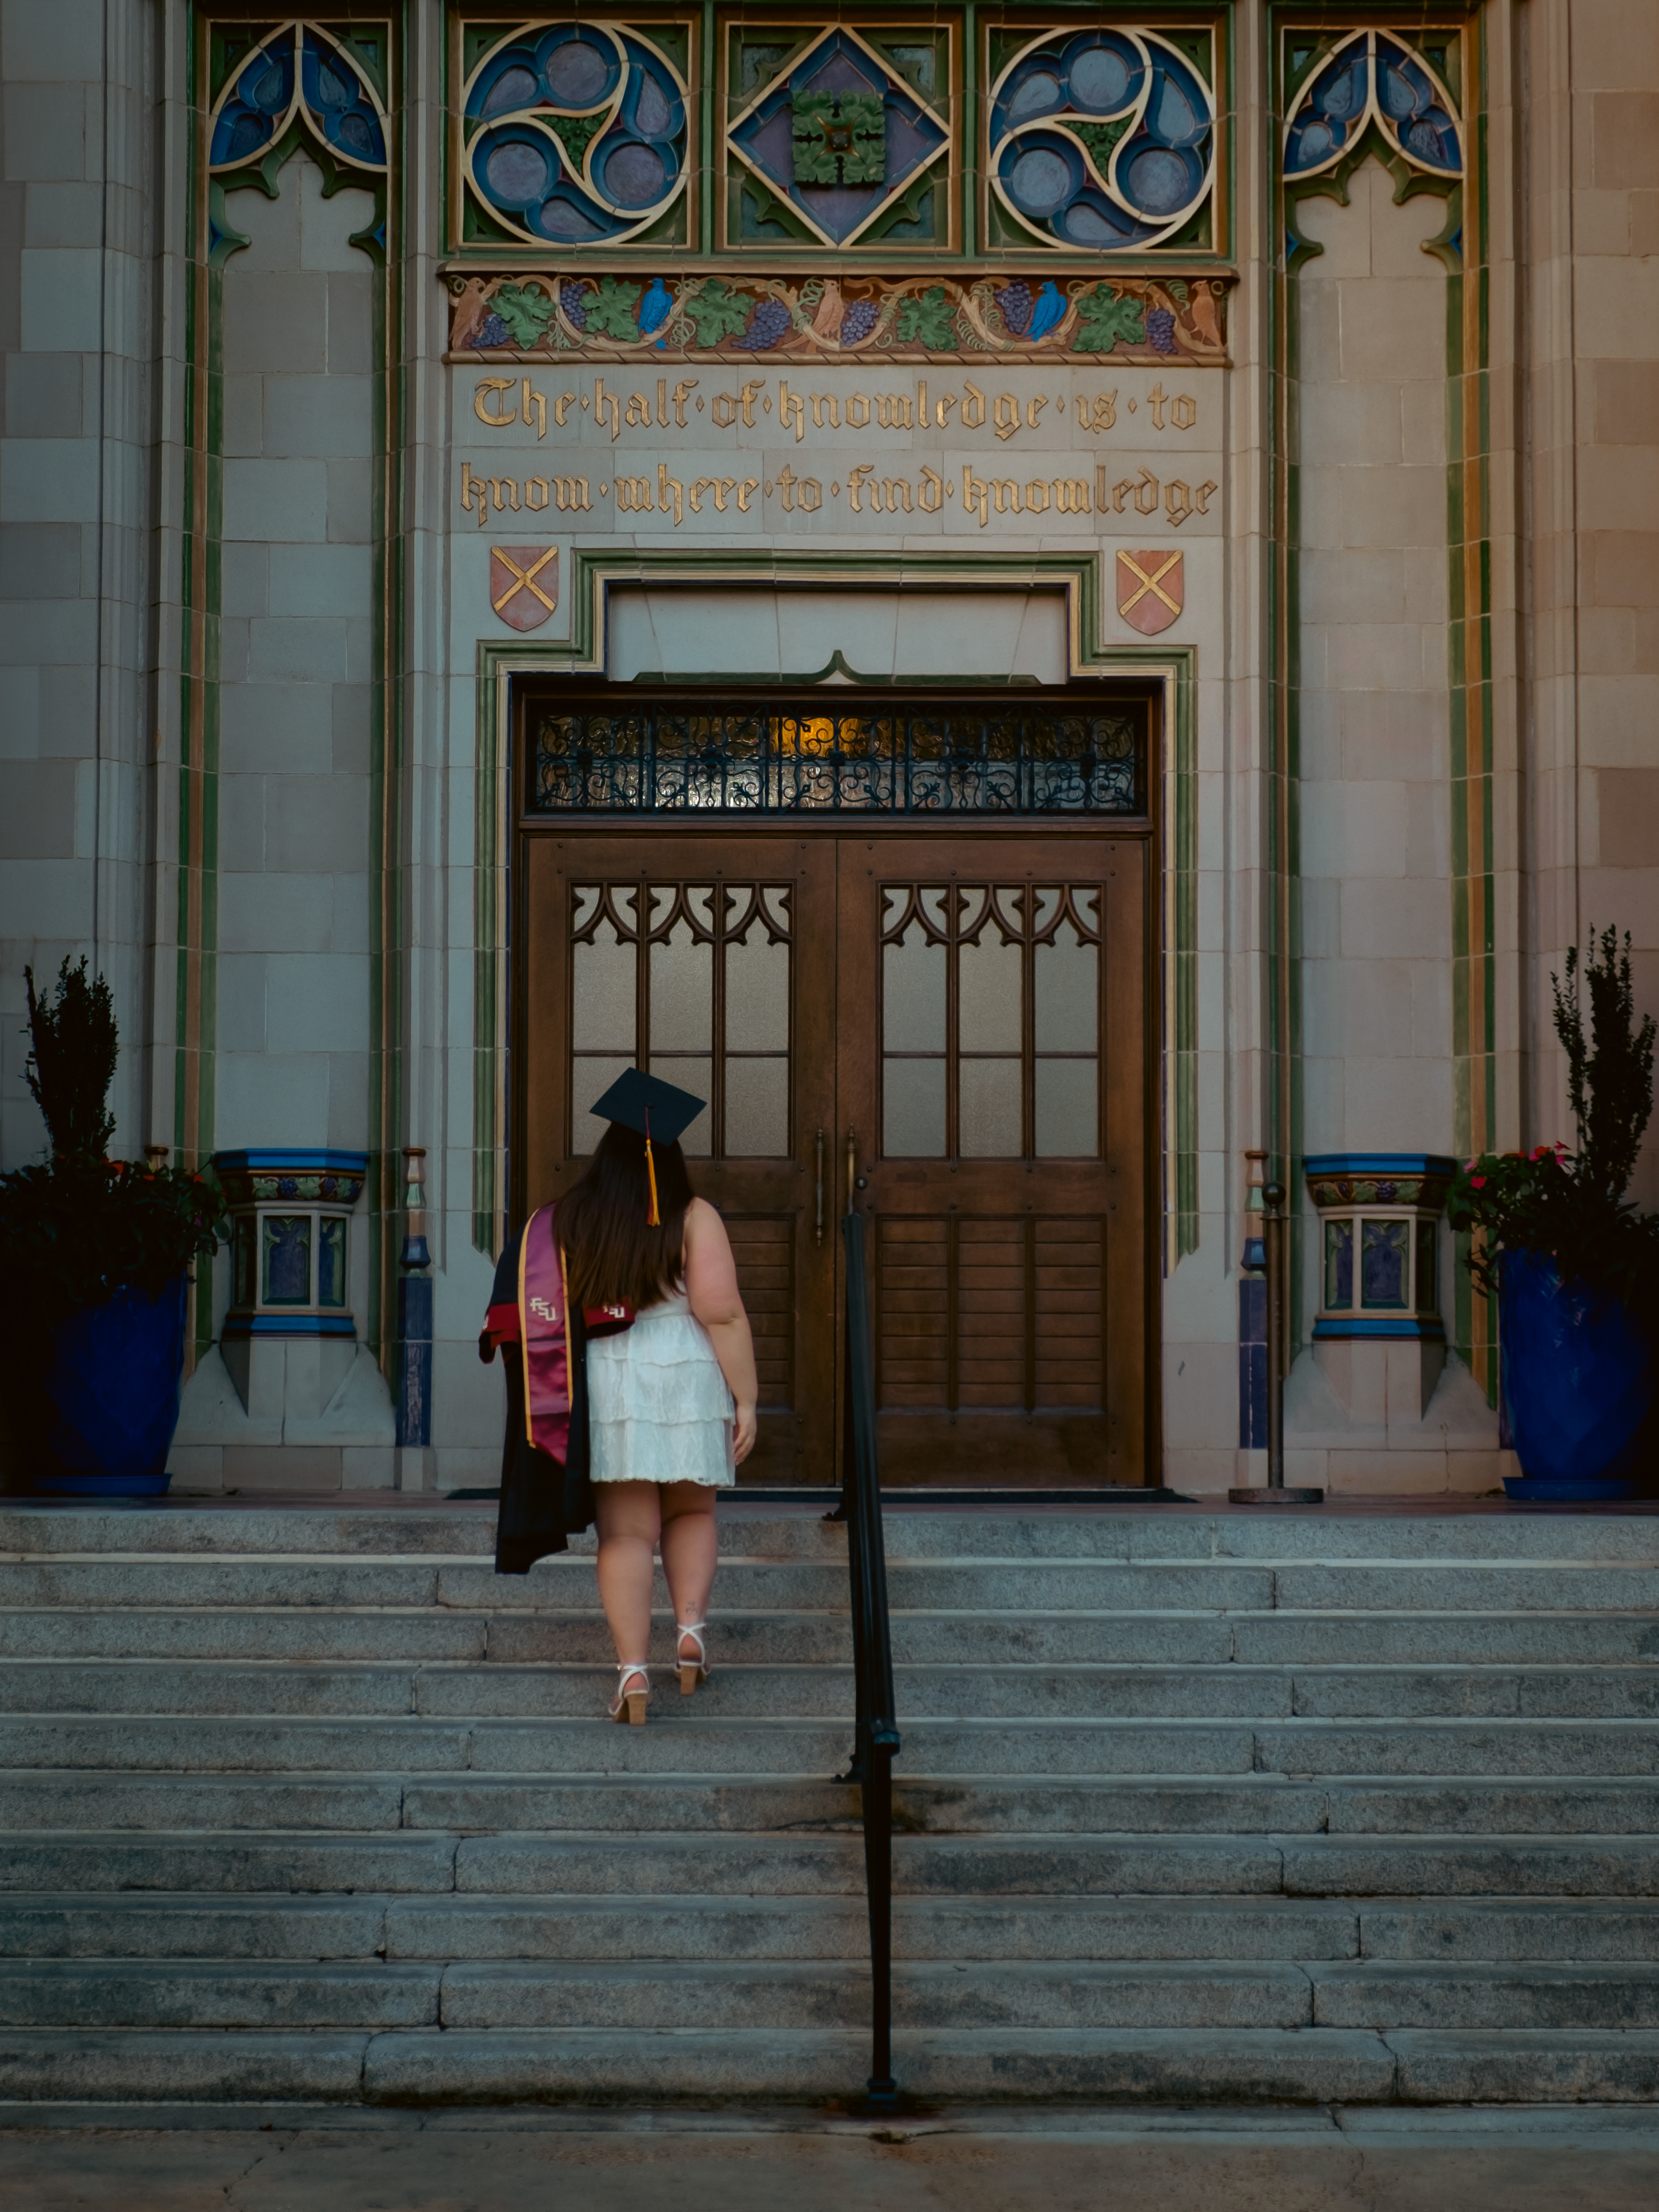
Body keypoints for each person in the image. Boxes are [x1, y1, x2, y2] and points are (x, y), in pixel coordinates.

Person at [478, 1069, 758, 1725]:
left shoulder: (569, 1220)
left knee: (627, 1531)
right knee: (691, 1512)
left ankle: (633, 1672)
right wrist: (746, 1398)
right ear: (670, 1160)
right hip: (686, 1373)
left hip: (607, 1377)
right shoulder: (694, 1215)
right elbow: (722, 1313)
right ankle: (690, 1634)